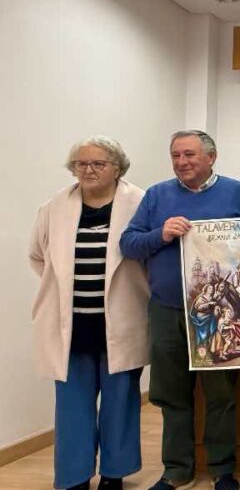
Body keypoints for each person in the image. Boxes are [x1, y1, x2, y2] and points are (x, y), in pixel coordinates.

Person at [120, 130, 240, 490]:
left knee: (220, 394)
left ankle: (223, 470)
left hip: (219, 315)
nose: (182, 162)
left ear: (212, 157)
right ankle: (177, 471)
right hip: (167, 310)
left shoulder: (239, 192)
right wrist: (160, 234)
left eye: (190, 155)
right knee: (171, 394)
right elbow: (129, 245)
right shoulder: (157, 195)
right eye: (175, 155)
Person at [30, 136, 149, 490]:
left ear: (117, 168)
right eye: (81, 164)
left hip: (122, 320)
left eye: (98, 163)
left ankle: (114, 474)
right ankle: (74, 476)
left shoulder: (139, 202)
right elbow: (39, 255)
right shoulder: (55, 206)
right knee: (72, 409)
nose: (88, 170)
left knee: (120, 404)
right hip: (71, 324)